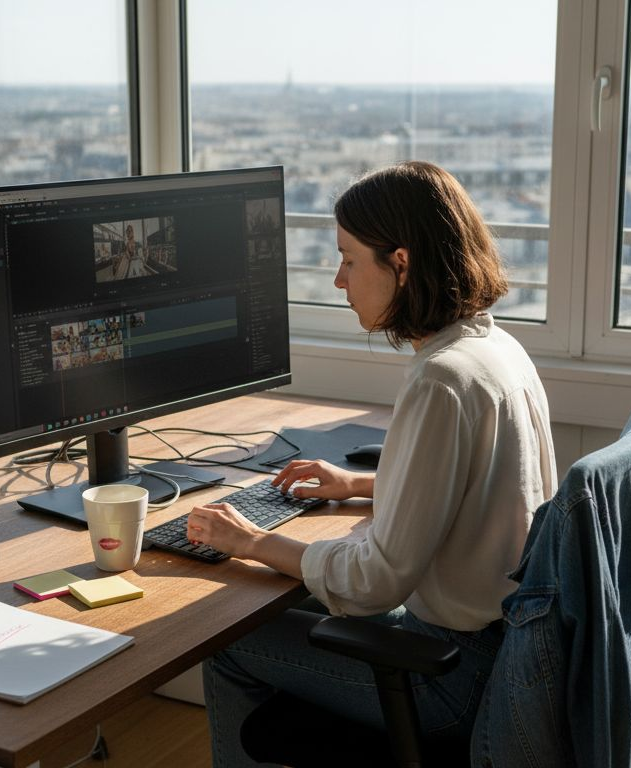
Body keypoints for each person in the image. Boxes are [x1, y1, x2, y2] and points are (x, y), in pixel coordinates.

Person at [187, 160, 558, 766]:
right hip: (498, 649)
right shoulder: (494, 347)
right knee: (295, 597)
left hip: (449, 678)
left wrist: (251, 541)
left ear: (401, 264)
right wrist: (359, 483)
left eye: (348, 260)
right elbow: (474, 495)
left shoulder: (441, 380)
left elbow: (374, 583)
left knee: (228, 638)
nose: (339, 280)